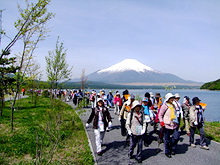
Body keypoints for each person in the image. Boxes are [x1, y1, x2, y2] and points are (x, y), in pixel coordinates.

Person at [158, 93, 179, 158]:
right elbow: (160, 114)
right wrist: (161, 121)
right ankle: (167, 151)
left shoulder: (173, 105)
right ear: (168, 99)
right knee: (166, 139)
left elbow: (175, 114)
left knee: (176, 137)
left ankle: (172, 148)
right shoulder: (164, 106)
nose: (172, 99)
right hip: (166, 124)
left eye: (173, 98)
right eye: (171, 98)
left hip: (174, 124)